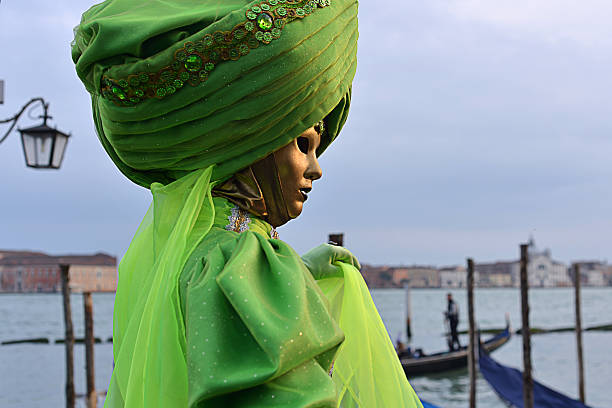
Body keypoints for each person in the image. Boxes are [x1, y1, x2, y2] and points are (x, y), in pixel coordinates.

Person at [72, 1, 424, 407]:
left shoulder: (197, 249)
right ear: (254, 147)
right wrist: (274, 281)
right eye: (303, 144)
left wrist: (301, 277)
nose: (315, 169)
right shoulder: (237, 261)